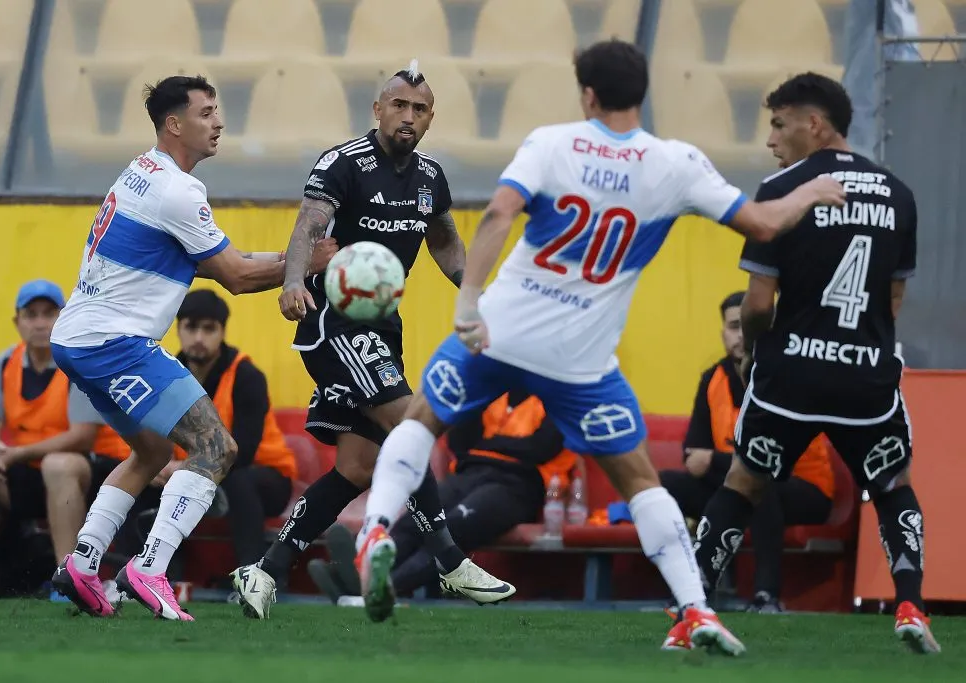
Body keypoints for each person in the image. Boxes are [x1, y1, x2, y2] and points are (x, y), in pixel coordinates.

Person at [351, 39, 846, 653]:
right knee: (641, 480)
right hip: (580, 360)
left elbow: (501, 214)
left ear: (587, 94)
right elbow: (765, 223)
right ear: (642, 94)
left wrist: (468, 300)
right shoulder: (676, 163)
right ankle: (694, 609)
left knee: (422, 421)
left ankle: (374, 530)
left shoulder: (552, 143)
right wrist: (810, 191)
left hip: (500, 330)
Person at [230, 61, 514, 620]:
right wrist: (291, 284)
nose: (408, 117)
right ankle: (449, 560)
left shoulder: (431, 178)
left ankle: (262, 572)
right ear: (378, 109)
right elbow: (310, 225)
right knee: (412, 423)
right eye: (399, 106)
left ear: (430, 119)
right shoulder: (343, 164)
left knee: (358, 467)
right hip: (332, 320)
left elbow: (447, 246)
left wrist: (488, 299)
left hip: (382, 326)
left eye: (420, 109)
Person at [693, 72, 940, 653]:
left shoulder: (782, 189)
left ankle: (695, 605)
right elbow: (894, 300)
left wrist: (757, 353)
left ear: (815, 124)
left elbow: (757, 304)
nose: (772, 141)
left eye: (779, 125)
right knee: (892, 484)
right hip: (867, 374)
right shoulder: (900, 194)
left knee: (744, 483)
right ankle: (911, 604)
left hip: (791, 375)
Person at [47, 74, 306, 621]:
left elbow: (220, 264)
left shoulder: (143, 171)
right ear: (174, 124)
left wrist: (292, 262)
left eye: (217, 110)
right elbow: (235, 277)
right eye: (207, 112)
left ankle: (84, 563)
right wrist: (309, 264)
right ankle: (149, 568)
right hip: (114, 343)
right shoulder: (179, 191)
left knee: (154, 451)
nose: (218, 122)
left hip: (77, 339)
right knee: (217, 449)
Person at [0, 280, 131, 601]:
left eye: (49, 313)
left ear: (64, 316)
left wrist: (14, 454)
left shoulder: (78, 359)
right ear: (18, 322)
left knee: (59, 465)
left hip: (88, 475)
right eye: (31, 315)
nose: (41, 323)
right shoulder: (6, 362)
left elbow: (82, 437)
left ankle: (69, 577)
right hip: (28, 473)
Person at [660, 291, 834, 612]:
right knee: (662, 487)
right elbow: (693, 453)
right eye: (734, 326)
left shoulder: (787, 373)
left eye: (748, 325)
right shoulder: (712, 378)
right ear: (723, 333)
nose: (742, 335)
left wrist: (713, 461)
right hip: (734, 479)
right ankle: (685, 590)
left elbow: (774, 460)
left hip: (802, 488)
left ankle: (766, 595)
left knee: (759, 483)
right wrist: (712, 462)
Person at [310, 391, 574, 602]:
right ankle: (358, 581)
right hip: (468, 474)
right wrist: (497, 442)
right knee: (415, 520)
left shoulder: (555, 397)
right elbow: (458, 440)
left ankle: (371, 590)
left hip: (519, 484)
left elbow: (539, 448)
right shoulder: (492, 393)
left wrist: (486, 445)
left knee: (454, 527)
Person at [167, 289, 301, 567]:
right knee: (144, 479)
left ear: (222, 331)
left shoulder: (246, 376)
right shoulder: (166, 375)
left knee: (237, 482)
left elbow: (244, 451)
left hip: (264, 477)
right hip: (195, 475)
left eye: (209, 329)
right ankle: (150, 576)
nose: (199, 338)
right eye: (191, 327)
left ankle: (253, 574)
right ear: (178, 329)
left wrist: (183, 470)